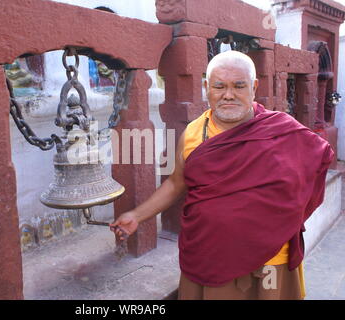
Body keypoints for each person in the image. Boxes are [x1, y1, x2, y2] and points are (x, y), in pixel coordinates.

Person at [110, 50, 334, 300]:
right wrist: (136, 216)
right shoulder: (193, 133)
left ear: (254, 87)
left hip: (270, 257)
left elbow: (314, 169)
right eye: (219, 86)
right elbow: (176, 183)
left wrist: (286, 215)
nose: (228, 95)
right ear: (207, 88)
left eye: (239, 86)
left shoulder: (282, 130)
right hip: (210, 254)